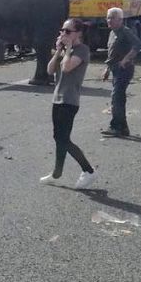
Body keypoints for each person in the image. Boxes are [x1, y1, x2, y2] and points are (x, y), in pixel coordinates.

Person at [39, 18, 97, 190]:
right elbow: (50, 70)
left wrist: (69, 49)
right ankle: (57, 173)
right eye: (62, 31)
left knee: (63, 139)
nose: (63, 34)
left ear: (78, 33)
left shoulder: (82, 50)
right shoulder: (64, 50)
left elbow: (67, 68)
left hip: (70, 100)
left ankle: (88, 170)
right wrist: (58, 51)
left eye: (67, 31)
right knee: (59, 138)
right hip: (57, 99)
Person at [101, 7, 141, 137]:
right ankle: (123, 128)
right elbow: (112, 53)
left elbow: (138, 45)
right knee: (119, 98)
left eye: (112, 17)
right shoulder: (112, 33)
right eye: (108, 17)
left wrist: (125, 59)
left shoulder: (125, 31)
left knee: (116, 97)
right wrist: (107, 69)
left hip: (124, 69)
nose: (109, 20)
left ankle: (116, 126)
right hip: (115, 68)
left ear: (120, 19)